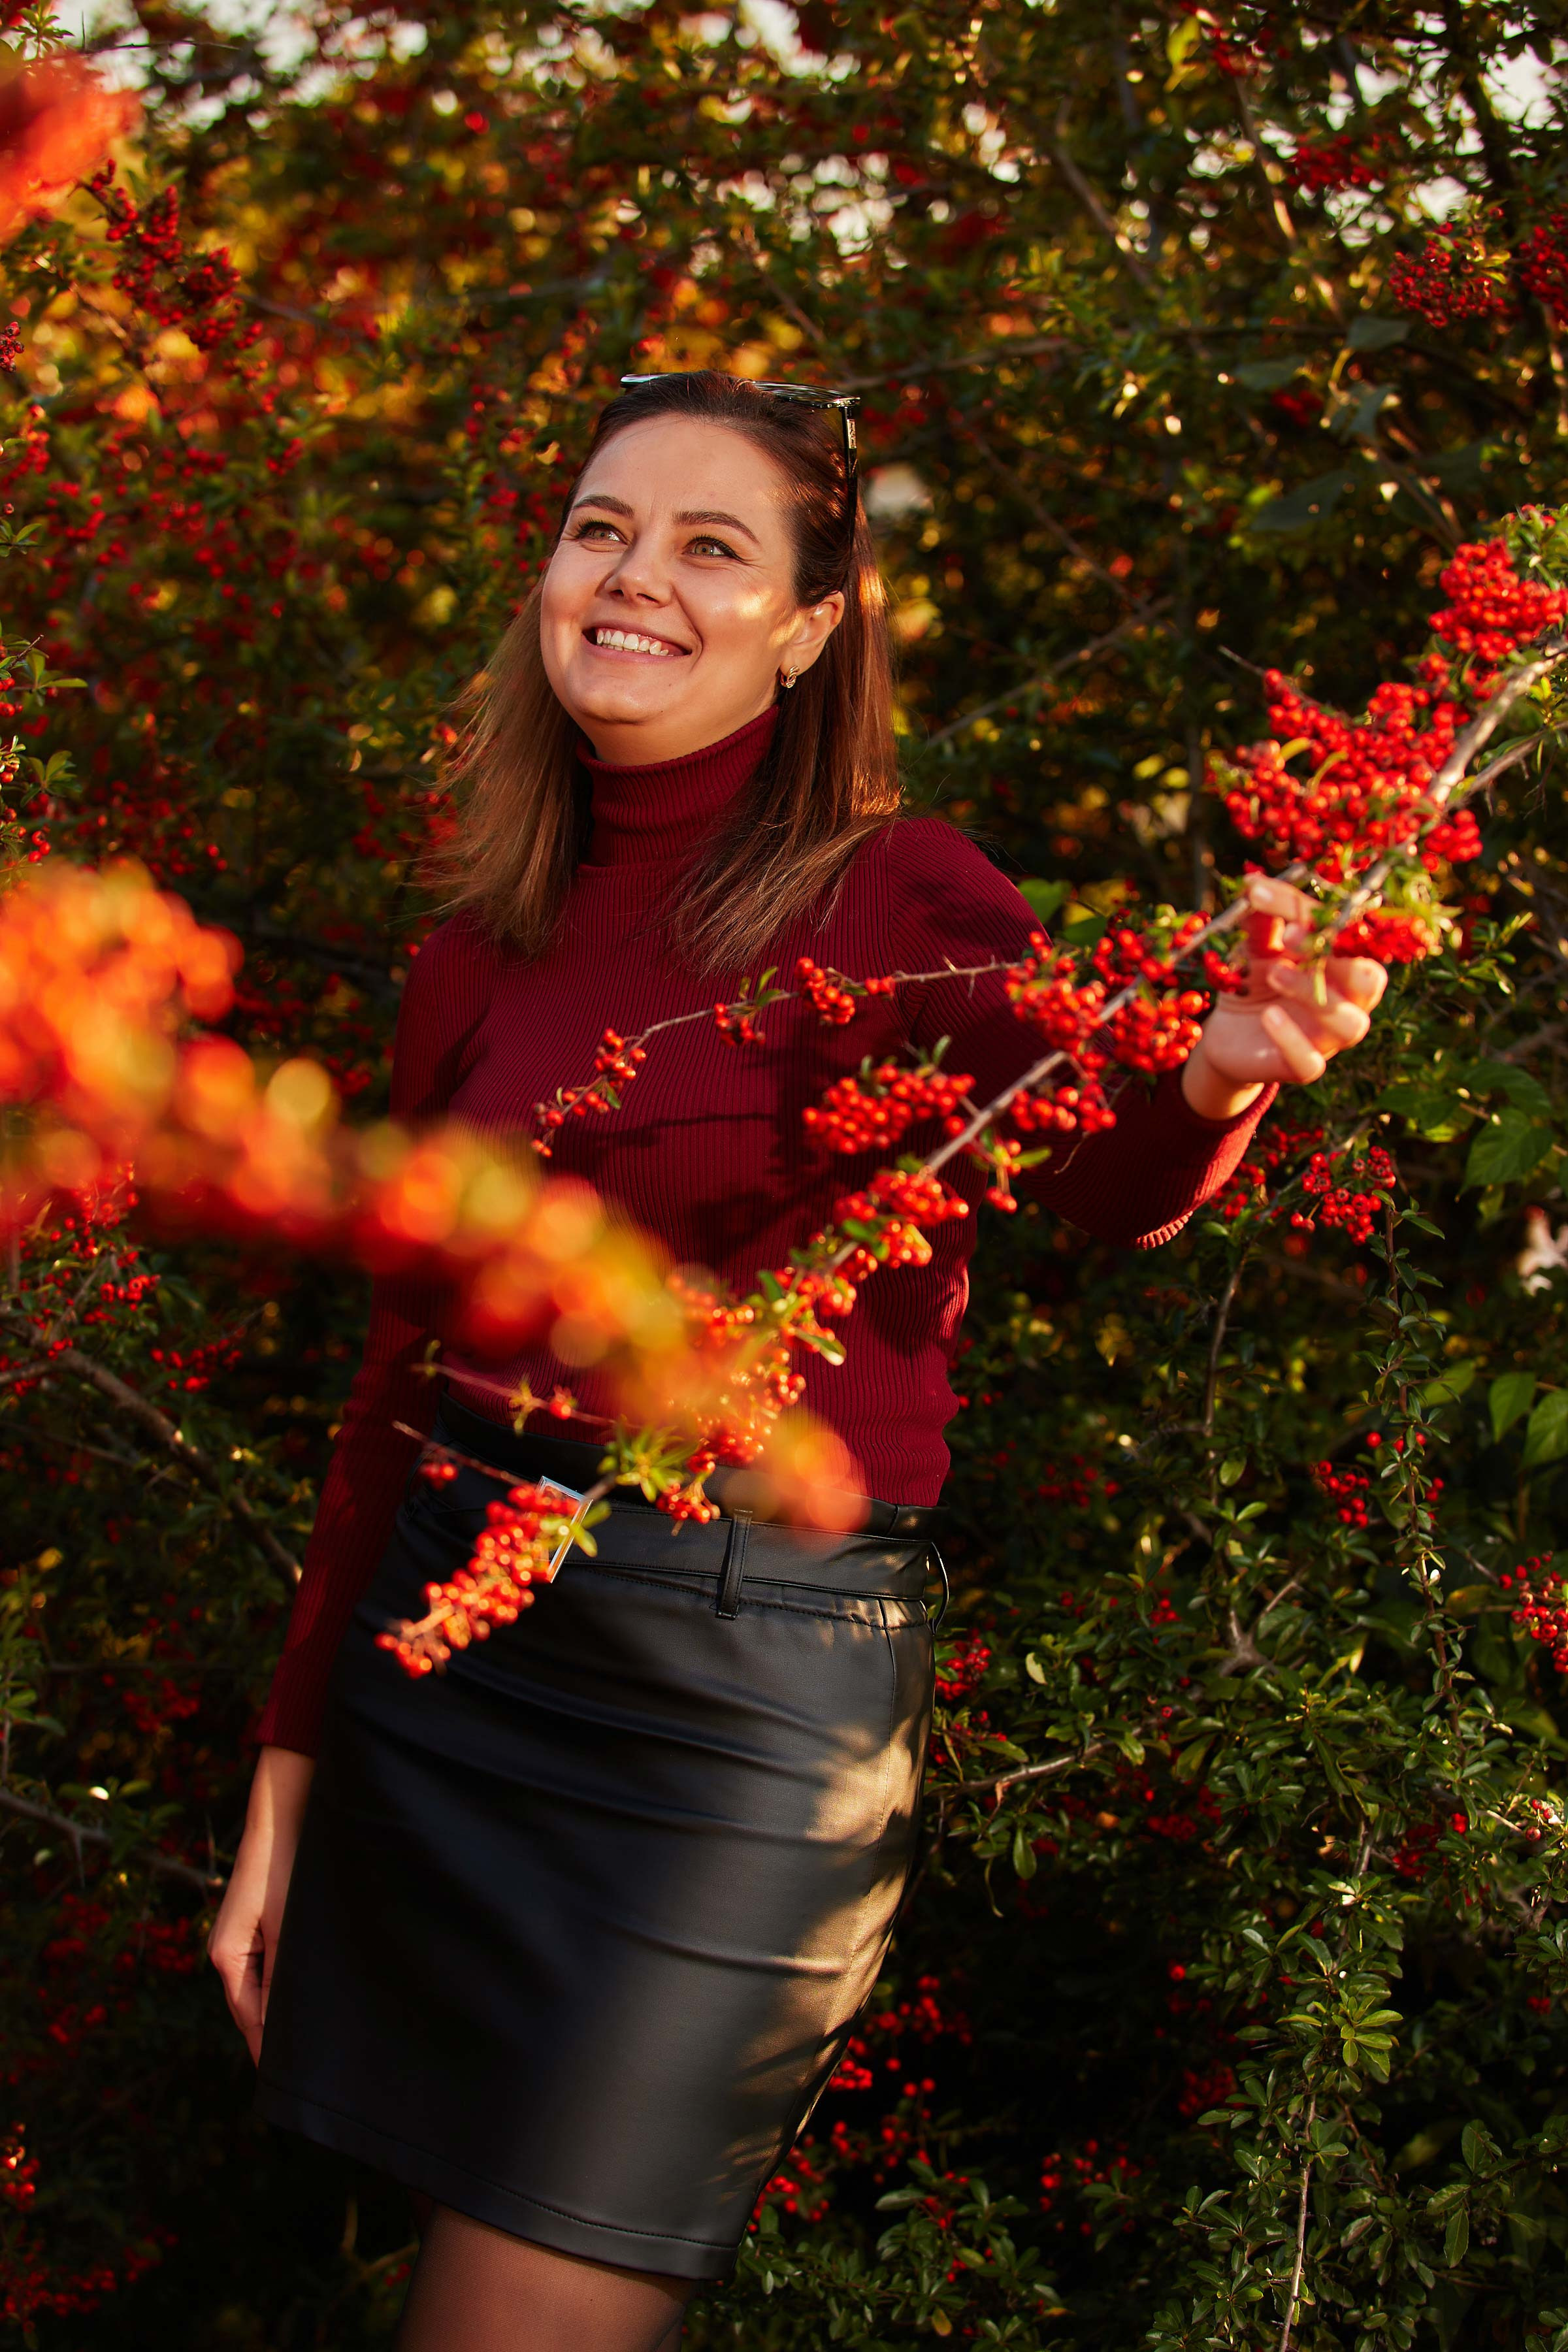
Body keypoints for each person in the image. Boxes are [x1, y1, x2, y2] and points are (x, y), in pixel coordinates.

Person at [208, 369, 1385, 2352]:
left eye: (710, 546)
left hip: (734, 1724)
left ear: (811, 626)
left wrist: (1214, 1076)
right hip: (450, 1662)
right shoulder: (475, 951)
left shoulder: (894, 892)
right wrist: (290, 1766)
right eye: (600, 530)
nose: (632, 577)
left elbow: (1097, 1159)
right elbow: (399, 1375)